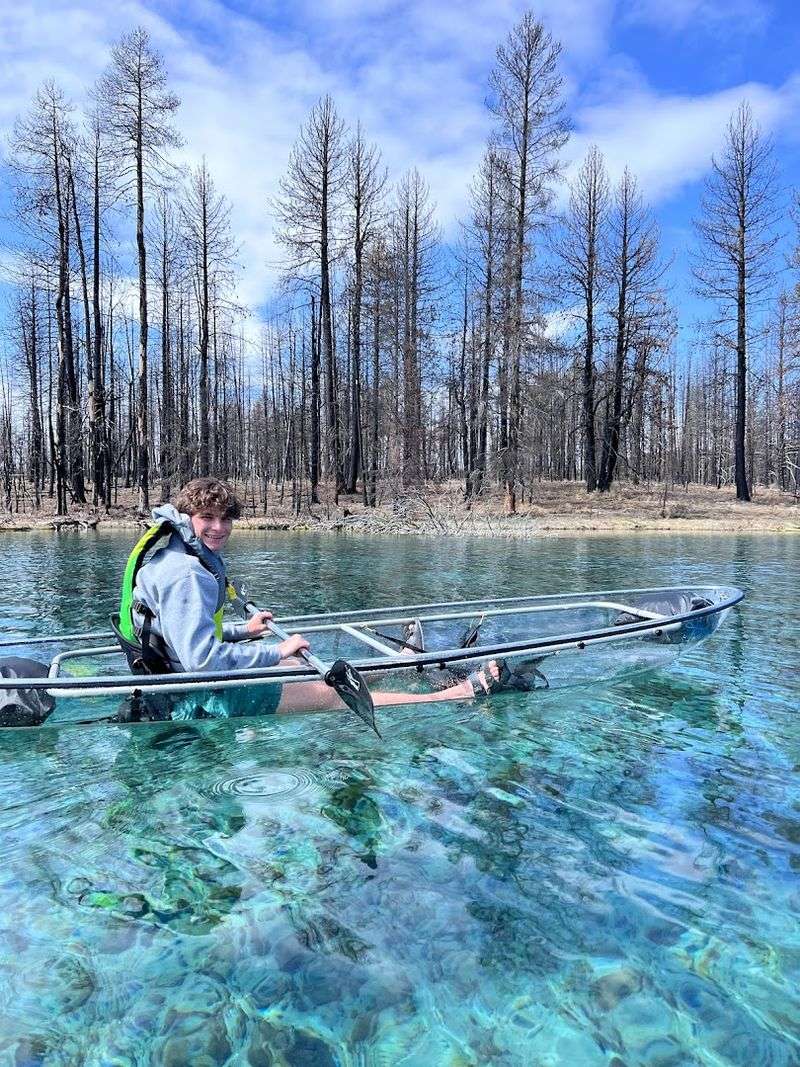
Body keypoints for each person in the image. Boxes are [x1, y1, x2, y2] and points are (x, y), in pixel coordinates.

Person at [123, 477, 515, 721]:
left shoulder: (176, 556)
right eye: (207, 518)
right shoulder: (187, 574)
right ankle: (454, 695)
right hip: (198, 699)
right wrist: (275, 651)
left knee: (299, 665)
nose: (219, 527)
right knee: (330, 695)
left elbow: (185, 632)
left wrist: (245, 631)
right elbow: (201, 661)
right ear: (186, 518)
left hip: (181, 679)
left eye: (225, 518)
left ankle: (399, 664)